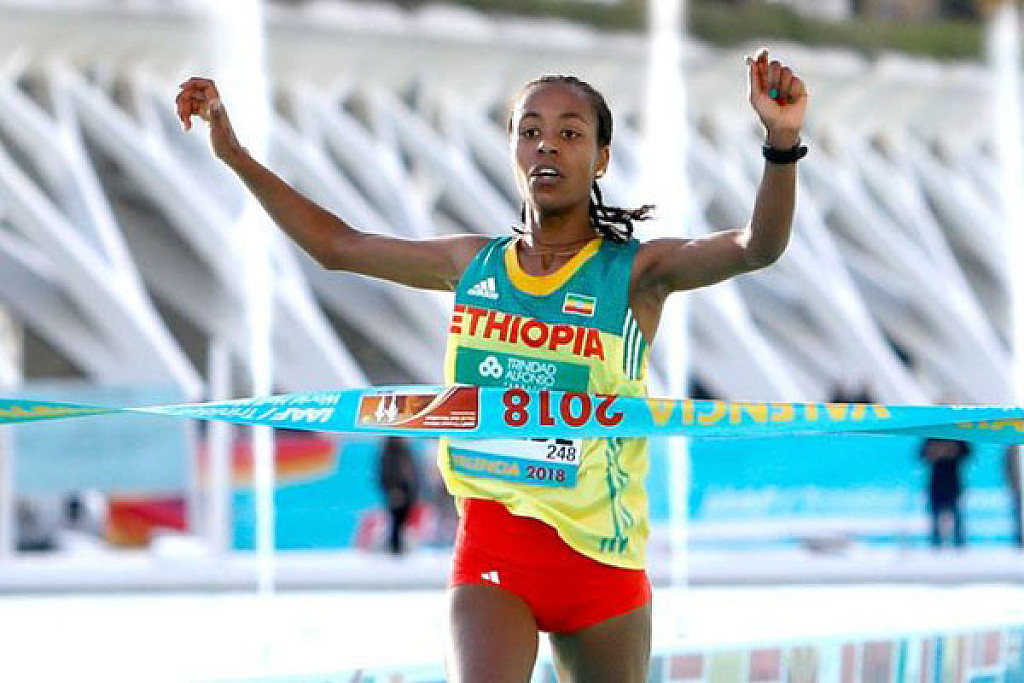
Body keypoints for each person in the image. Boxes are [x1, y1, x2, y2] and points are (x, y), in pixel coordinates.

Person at [176, 49, 807, 682]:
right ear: (512, 149)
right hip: (493, 553)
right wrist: (235, 155)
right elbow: (337, 247)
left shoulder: (636, 273)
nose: (547, 146)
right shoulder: (471, 264)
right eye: (530, 131)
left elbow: (757, 247)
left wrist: (781, 144)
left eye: (569, 133)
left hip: (603, 566)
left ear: (602, 158)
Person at [920, 438, 971, 549]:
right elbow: (921, 455)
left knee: (956, 514)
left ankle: (959, 543)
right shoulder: (932, 438)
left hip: (953, 482)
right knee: (935, 515)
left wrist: (951, 451)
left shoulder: (957, 438)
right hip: (936, 483)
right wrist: (934, 452)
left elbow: (967, 453)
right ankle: (936, 543)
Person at [377, 435, 421, 554]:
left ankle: (398, 546)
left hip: (407, 491)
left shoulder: (404, 450)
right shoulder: (390, 453)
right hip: (397, 491)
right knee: (397, 520)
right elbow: (387, 473)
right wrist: (393, 489)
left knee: (402, 520)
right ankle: (395, 547)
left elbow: (412, 472)